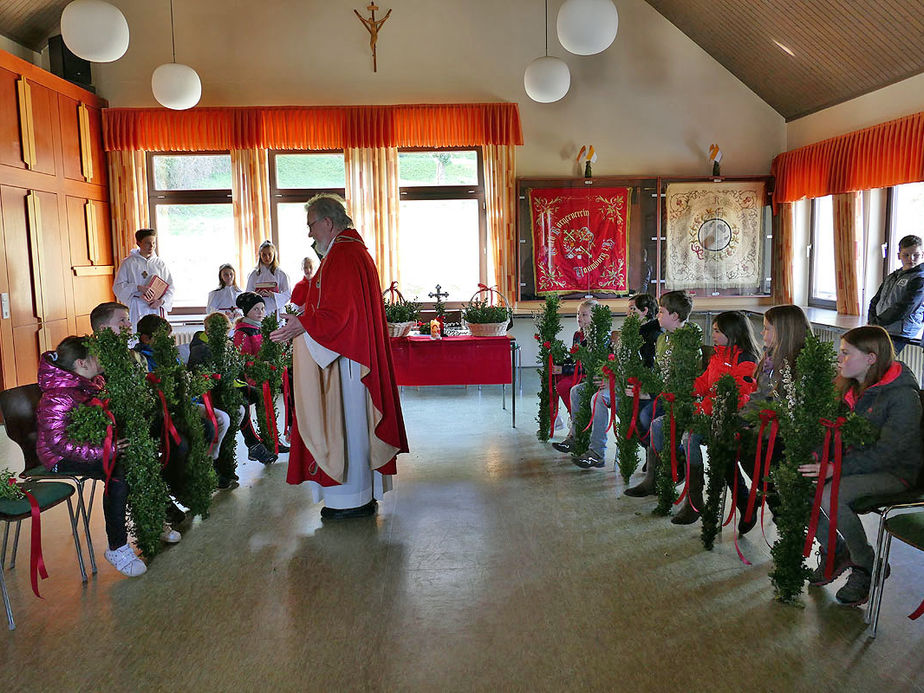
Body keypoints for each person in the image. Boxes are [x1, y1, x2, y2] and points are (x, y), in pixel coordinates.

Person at [270, 193, 408, 519]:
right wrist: (306, 318)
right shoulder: (346, 251)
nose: (309, 234)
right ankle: (358, 495)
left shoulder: (344, 254)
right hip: (349, 354)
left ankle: (351, 500)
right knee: (353, 424)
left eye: (311, 226)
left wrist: (302, 324)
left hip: (348, 359)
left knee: (349, 425)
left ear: (328, 223)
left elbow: (340, 316)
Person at [800, 326, 922, 606]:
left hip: (895, 471)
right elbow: (830, 433)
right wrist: (819, 457)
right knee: (796, 480)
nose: (839, 359)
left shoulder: (901, 395)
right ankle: (835, 552)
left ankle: (866, 565)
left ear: (870, 358)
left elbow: (890, 453)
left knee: (833, 494)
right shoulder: (850, 386)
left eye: (845, 353)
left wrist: (835, 469)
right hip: (856, 463)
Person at [36, 337, 149, 577]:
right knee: (117, 472)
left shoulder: (90, 383)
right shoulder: (57, 397)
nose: (101, 359)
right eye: (95, 356)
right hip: (59, 459)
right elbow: (59, 444)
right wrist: (105, 451)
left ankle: (149, 523)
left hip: (91, 447)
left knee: (134, 457)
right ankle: (117, 546)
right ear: (82, 363)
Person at [663, 311, 759, 524]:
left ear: (732, 333)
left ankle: (694, 501)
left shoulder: (747, 362)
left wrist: (701, 409)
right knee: (664, 425)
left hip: (732, 422)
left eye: (717, 331)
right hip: (711, 415)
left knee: (691, 439)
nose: (712, 334)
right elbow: (704, 384)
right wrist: (681, 390)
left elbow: (735, 399)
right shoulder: (719, 355)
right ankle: (676, 478)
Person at [734, 304, 813, 533]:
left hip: (791, 432)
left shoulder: (803, 363)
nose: (762, 333)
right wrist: (742, 418)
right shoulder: (771, 356)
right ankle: (752, 498)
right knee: (728, 440)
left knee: (752, 447)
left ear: (784, 331)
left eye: (767, 328)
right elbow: (759, 395)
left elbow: (792, 406)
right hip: (768, 423)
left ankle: (776, 504)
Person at [624, 290, 694, 497]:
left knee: (649, 417)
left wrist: (651, 395)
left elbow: (682, 383)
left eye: (661, 312)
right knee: (634, 410)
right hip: (661, 394)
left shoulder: (688, 343)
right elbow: (658, 374)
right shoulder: (663, 340)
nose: (658, 316)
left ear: (675, 316)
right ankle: (657, 468)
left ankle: (671, 465)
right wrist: (644, 389)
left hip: (678, 399)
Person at [189, 311, 278, 466]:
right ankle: (251, 446)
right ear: (207, 330)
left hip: (227, 386)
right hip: (208, 393)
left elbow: (235, 370)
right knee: (240, 402)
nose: (224, 335)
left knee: (255, 395)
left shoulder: (226, 344)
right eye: (221, 332)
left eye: (226, 331)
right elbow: (200, 378)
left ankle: (262, 442)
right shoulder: (200, 349)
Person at [112, 228, 175, 330]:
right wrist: (138, 288)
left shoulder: (160, 264)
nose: (151, 246)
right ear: (138, 243)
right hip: (137, 307)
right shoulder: (128, 263)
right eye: (147, 243)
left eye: (154, 243)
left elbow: (171, 287)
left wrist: (161, 301)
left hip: (156, 308)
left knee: (158, 335)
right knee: (138, 335)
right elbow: (118, 287)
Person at [868, 234, 924, 347]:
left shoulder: (920, 279)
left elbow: (904, 307)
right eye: (906, 255)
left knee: (882, 362)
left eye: (915, 255)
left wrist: (877, 323)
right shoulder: (892, 276)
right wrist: (871, 320)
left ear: (922, 255)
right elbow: (875, 300)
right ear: (899, 256)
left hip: (900, 332)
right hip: (882, 328)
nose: (911, 259)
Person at [551, 298, 594, 424]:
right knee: (551, 376)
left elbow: (589, 366)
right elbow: (574, 358)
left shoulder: (596, 337)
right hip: (577, 370)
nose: (579, 317)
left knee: (563, 385)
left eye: (584, 315)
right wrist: (559, 364)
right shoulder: (578, 335)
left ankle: (577, 420)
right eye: (578, 314)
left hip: (587, 373)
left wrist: (563, 369)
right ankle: (554, 417)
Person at [246, 240, 291, 319]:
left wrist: (273, 295)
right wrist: (255, 294)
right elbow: (248, 293)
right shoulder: (254, 274)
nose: (267, 257)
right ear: (260, 255)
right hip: (259, 310)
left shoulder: (281, 273)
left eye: (270, 254)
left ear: (274, 254)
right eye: (264, 255)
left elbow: (287, 294)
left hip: (275, 309)